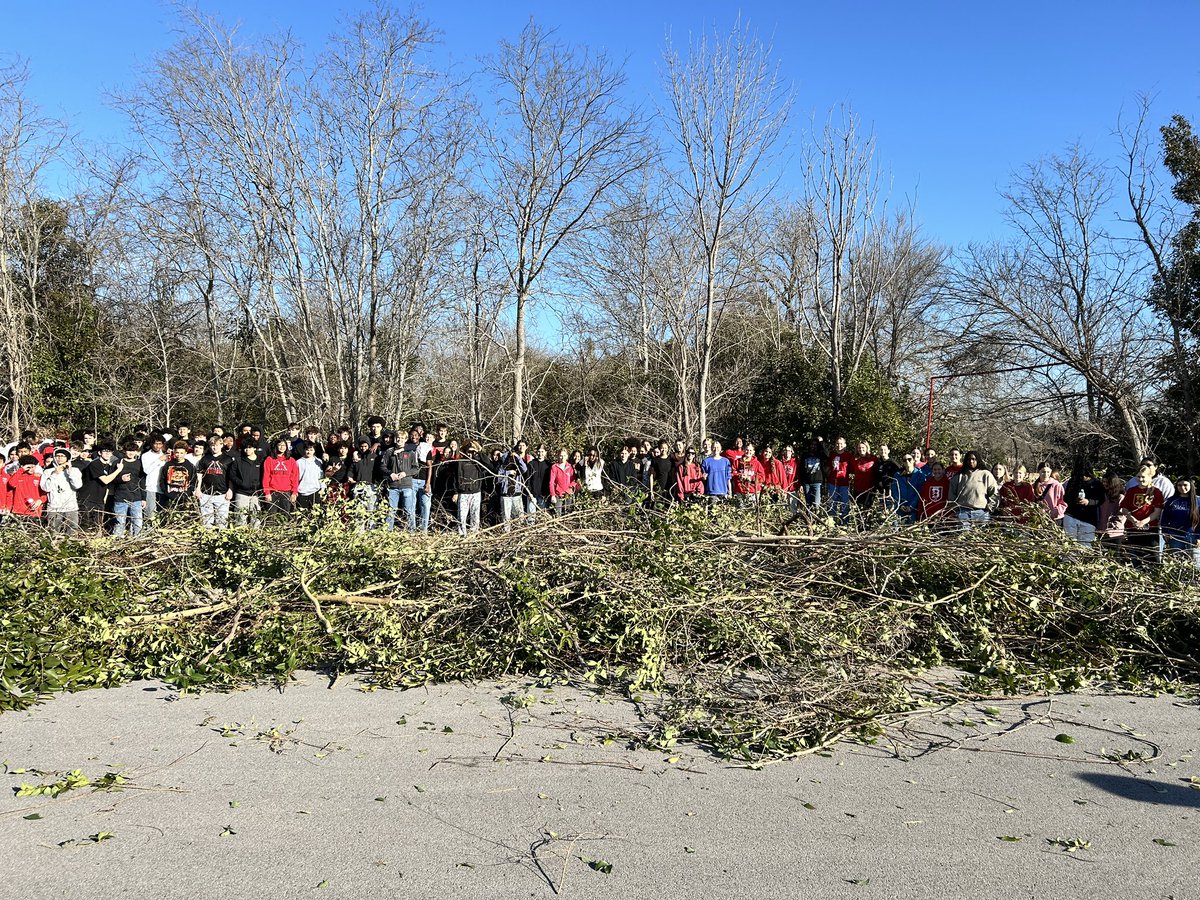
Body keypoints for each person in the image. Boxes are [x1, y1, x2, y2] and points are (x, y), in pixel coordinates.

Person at [1119, 466, 1164, 568]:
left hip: (1150, 529)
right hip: (1133, 529)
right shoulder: (1131, 491)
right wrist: (1134, 521)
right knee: (1136, 558)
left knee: (1153, 558)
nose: (1140, 479)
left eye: (1143, 477)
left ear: (1149, 477)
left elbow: (1157, 512)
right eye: (1138, 477)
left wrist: (1143, 522)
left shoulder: (1156, 492)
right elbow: (1124, 509)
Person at [1061, 460, 1105, 547]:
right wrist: (1075, 499)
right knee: (1070, 544)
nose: (1083, 477)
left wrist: (1089, 502)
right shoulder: (1073, 482)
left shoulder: (1096, 483)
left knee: (1085, 546)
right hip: (1071, 516)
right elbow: (1066, 498)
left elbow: (1101, 499)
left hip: (1088, 519)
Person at [949, 450, 998, 528]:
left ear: (978, 460)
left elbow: (995, 493)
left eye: (973, 459)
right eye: (969, 459)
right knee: (963, 537)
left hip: (981, 512)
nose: (971, 461)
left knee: (980, 538)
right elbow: (951, 494)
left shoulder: (986, 474)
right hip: (963, 511)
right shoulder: (960, 475)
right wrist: (955, 509)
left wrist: (989, 508)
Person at [40, 448, 82, 534]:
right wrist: (55, 474)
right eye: (58, 456)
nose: (60, 458)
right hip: (54, 507)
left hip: (71, 507)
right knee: (53, 532)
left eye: (63, 456)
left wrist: (70, 471)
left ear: (67, 458)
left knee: (72, 531)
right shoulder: (48, 472)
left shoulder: (75, 470)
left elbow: (77, 485)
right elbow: (45, 488)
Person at [451, 441, 489, 535]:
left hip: (476, 492)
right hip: (463, 493)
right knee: (462, 516)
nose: (470, 454)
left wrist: (478, 452)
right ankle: (461, 534)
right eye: (468, 451)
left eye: (472, 452)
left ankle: (474, 533)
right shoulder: (460, 462)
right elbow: (456, 478)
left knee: (475, 515)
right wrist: (456, 492)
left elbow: (488, 463)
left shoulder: (478, 463)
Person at [1160, 477, 1199, 567]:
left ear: (1191, 486)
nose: (1182, 487)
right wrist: (1165, 532)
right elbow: (1165, 518)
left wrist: (1199, 536)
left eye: (1185, 485)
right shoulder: (1171, 501)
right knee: (1177, 563)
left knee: (1195, 564)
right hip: (1175, 536)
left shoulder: (1198, 501)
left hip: (1193, 536)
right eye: (1179, 485)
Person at [111, 441, 147, 537]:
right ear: (124, 451)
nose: (131, 453)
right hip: (120, 497)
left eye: (133, 451)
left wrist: (144, 498)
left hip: (136, 497)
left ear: (136, 452)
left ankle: (137, 541)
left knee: (138, 523)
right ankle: (117, 542)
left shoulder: (140, 464)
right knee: (119, 523)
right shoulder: (117, 463)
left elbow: (142, 481)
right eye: (128, 450)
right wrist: (120, 479)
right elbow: (111, 479)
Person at [195, 440, 233, 529]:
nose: (214, 447)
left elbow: (231, 476)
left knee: (222, 522)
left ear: (221, 445)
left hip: (222, 493)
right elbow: (199, 475)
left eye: (216, 445)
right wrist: (198, 489)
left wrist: (230, 490)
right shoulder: (205, 459)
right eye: (212, 445)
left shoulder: (228, 459)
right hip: (206, 493)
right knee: (207, 522)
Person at [263, 440, 300, 518]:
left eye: (284, 445)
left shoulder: (291, 460)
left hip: (286, 492)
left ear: (287, 447)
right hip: (273, 492)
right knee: (271, 516)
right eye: (280, 445)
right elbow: (266, 476)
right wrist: (267, 492)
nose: (282, 447)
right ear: (276, 446)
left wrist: (294, 492)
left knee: (286, 516)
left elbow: (295, 478)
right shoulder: (269, 459)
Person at [229, 445, 264, 528]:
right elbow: (232, 475)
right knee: (240, 518)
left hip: (256, 494)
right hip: (241, 493)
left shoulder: (261, 461)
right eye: (245, 448)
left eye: (250, 447)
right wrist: (241, 483)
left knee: (256, 519)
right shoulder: (238, 461)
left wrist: (260, 486)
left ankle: (255, 537)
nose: (247, 450)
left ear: (254, 448)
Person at [888, 451, 927, 525]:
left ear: (913, 460)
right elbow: (894, 491)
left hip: (914, 509)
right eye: (904, 460)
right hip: (900, 508)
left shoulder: (920, 475)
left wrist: (911, 506)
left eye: (909, 459)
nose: (907, 461)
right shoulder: (898, 475)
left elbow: (920, 492)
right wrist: (900, 504)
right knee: (896, 530)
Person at [162, 442, 196, 517]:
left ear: (185, 453)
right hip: (169, 497)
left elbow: (193, 481)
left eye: (181, 453)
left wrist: (188, 493)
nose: (179, 455)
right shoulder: (168, 464)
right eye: (177, 452)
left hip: (184, 497)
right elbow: (162, 479)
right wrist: (166, 492)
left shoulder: (190, 466)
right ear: (174, 452)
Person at [140, 436, 168, 527]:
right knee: (150, 513)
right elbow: (146, 470)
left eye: (160, 444)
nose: (157, 446)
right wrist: (159, 460)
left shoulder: (166, 455)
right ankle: (149, 532)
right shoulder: (145, 456)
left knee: (161, 513)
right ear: (151, 444)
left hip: (163, 488)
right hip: (150, 487)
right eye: (155, 443)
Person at [731, 442, 766, 507]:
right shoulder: (738, 462)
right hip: (740, 490)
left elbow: (762, 477)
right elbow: (733, 473)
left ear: (753, 452)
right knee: (741, 512)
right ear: (743, 450)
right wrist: (740, 475)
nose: (748, 452)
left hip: (752, 491)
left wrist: (752, 478)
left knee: (751, 511)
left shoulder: (757, 463)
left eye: (750, 450)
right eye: (747, 450)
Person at [827, 437, 853, 522]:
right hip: (833, 483)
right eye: (837, 443)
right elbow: (828, 468)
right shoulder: (832, 455)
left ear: (845, 445)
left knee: (844, 504)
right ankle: (832, 523)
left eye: (841, 444)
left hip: (844, 483)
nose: (839, 445)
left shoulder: (848, 456)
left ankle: (845, 523)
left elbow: (852, 469)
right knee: (832, 504)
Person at [849, 441, 880, 510]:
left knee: (868, 510)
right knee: (858, 510)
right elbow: (850, 470)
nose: (861, 449)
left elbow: (878, 472)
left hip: (870, 489)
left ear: (867, 448)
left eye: (863, 447)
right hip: (858, 488)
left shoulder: (873, 458)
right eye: (859, 448)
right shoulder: (854, 459)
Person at [295, 441, 326, 511]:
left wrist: (323, 488)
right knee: (302, 514)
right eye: (307, 450)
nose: (309, 452)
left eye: (311, 450)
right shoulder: (298, 462)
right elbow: (295, 478)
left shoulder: (319, 462)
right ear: (304, 450)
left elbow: (321, 476)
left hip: (315, 491)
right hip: (302, 492)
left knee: (316, 514)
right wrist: (295, 491)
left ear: (314, 451)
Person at [549, 449, 578, 517]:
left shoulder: (570, 467)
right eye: (561, 456)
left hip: (568, 494)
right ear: (558, 456)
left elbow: (574, 480)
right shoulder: (554, 467)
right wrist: (552, 495)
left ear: (567, 456)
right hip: (558, 495)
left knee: (567, 514)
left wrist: (570, 487)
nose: (562, 458)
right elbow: (551, 482)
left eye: (564, 455)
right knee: (557, 514)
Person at [799, 440, 825, 509]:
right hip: (806, 482)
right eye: (812, 444)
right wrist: (801, 483)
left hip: (817, 482)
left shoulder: (820, 455)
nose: (813, 446)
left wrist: (822, 444)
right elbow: (801, 469)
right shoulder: (805, 455)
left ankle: (816, 518)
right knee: (808, 504)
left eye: (815, 445)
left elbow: (828, 456)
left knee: (816, 504)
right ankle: (809, 518)